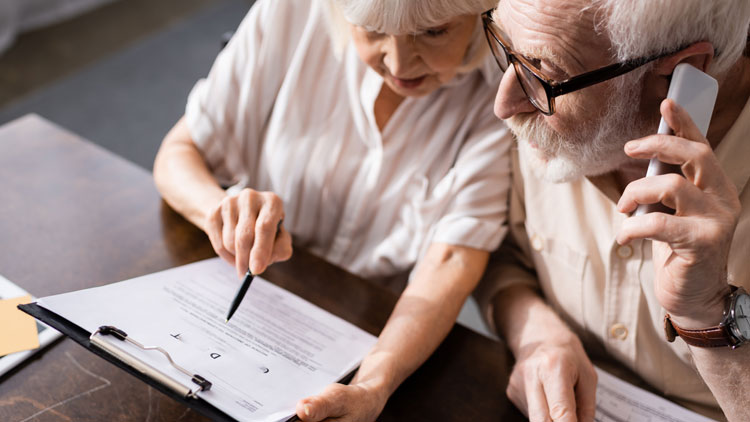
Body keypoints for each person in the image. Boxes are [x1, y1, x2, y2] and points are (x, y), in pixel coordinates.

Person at [153, 0, 512, 420]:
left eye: (433, 32)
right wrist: (220, 209)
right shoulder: (291, 12)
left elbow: (452, 258)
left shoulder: (505, 85)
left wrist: (373, 384)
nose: (398, 63)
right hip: (251, 292)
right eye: (372, 30)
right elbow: (180, 151)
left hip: (373, 330)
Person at [476, 1, 750, 421]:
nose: (505, 104)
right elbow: (502, 255)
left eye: (543, 73)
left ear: (681, 74)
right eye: (506, 46)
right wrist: (536, 333)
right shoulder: (542, 122)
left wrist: (706, 313)